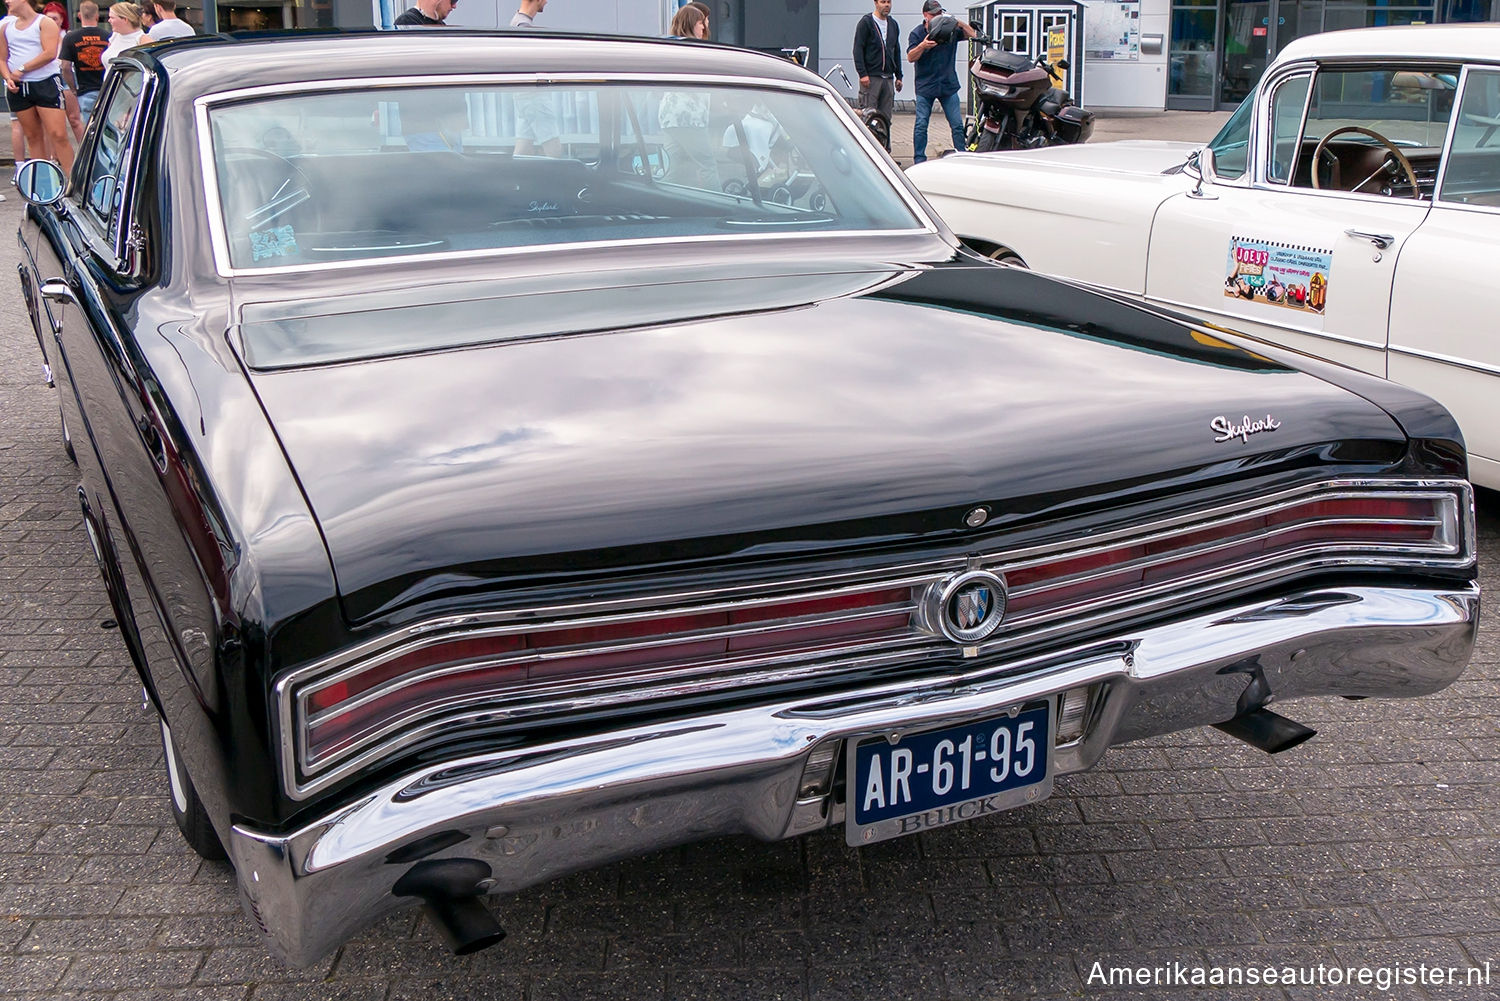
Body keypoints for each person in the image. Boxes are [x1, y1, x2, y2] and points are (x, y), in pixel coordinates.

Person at [0, 0, 74, 175]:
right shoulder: (6, 27)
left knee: (58, 135)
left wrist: (22, 69)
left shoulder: (44, 22)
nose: (7, 1)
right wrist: (8, 76)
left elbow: (49, 53)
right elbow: (2, 58)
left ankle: (73, 183)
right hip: (20, 88)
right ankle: (43, 186)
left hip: (45, 82)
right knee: (33, 137)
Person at [907, 0, 976, 163]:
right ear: (925, 15)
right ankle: (919, 159)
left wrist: (957, 22)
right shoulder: (917, 33)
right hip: (926, 87)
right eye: (933, 14)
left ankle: (962, 155)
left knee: (957, 125)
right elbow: (910, 57)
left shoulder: (949, 31)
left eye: (939, 13)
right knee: (921, 125)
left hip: (948, 85)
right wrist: (923, 46)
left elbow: (973, 35)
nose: (937, 17)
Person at [852, 0, 901, 134]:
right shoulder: (866, 23)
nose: (886, 5)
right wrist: (862, 74)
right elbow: (858, 49)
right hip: (871, 77)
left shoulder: (893, 25)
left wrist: (899, 75)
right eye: (883, 2)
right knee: (868, 115)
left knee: (886, 117)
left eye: (889, 2)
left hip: (888, 77)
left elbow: (896, 50)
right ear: (876, 3)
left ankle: (885, 146)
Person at [59, 0, 105, 120]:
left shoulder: (70, 37)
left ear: (79, 16)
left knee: (91, 130)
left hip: (86, 90)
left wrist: (73, 88)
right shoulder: (108, 36)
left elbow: (65, 67)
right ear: (97, 16)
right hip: (107, 88)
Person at [100, 2, 145, 67]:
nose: (109, 20)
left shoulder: (142, 39)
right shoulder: (115, 35)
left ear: (125, 19)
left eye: (112, 18)